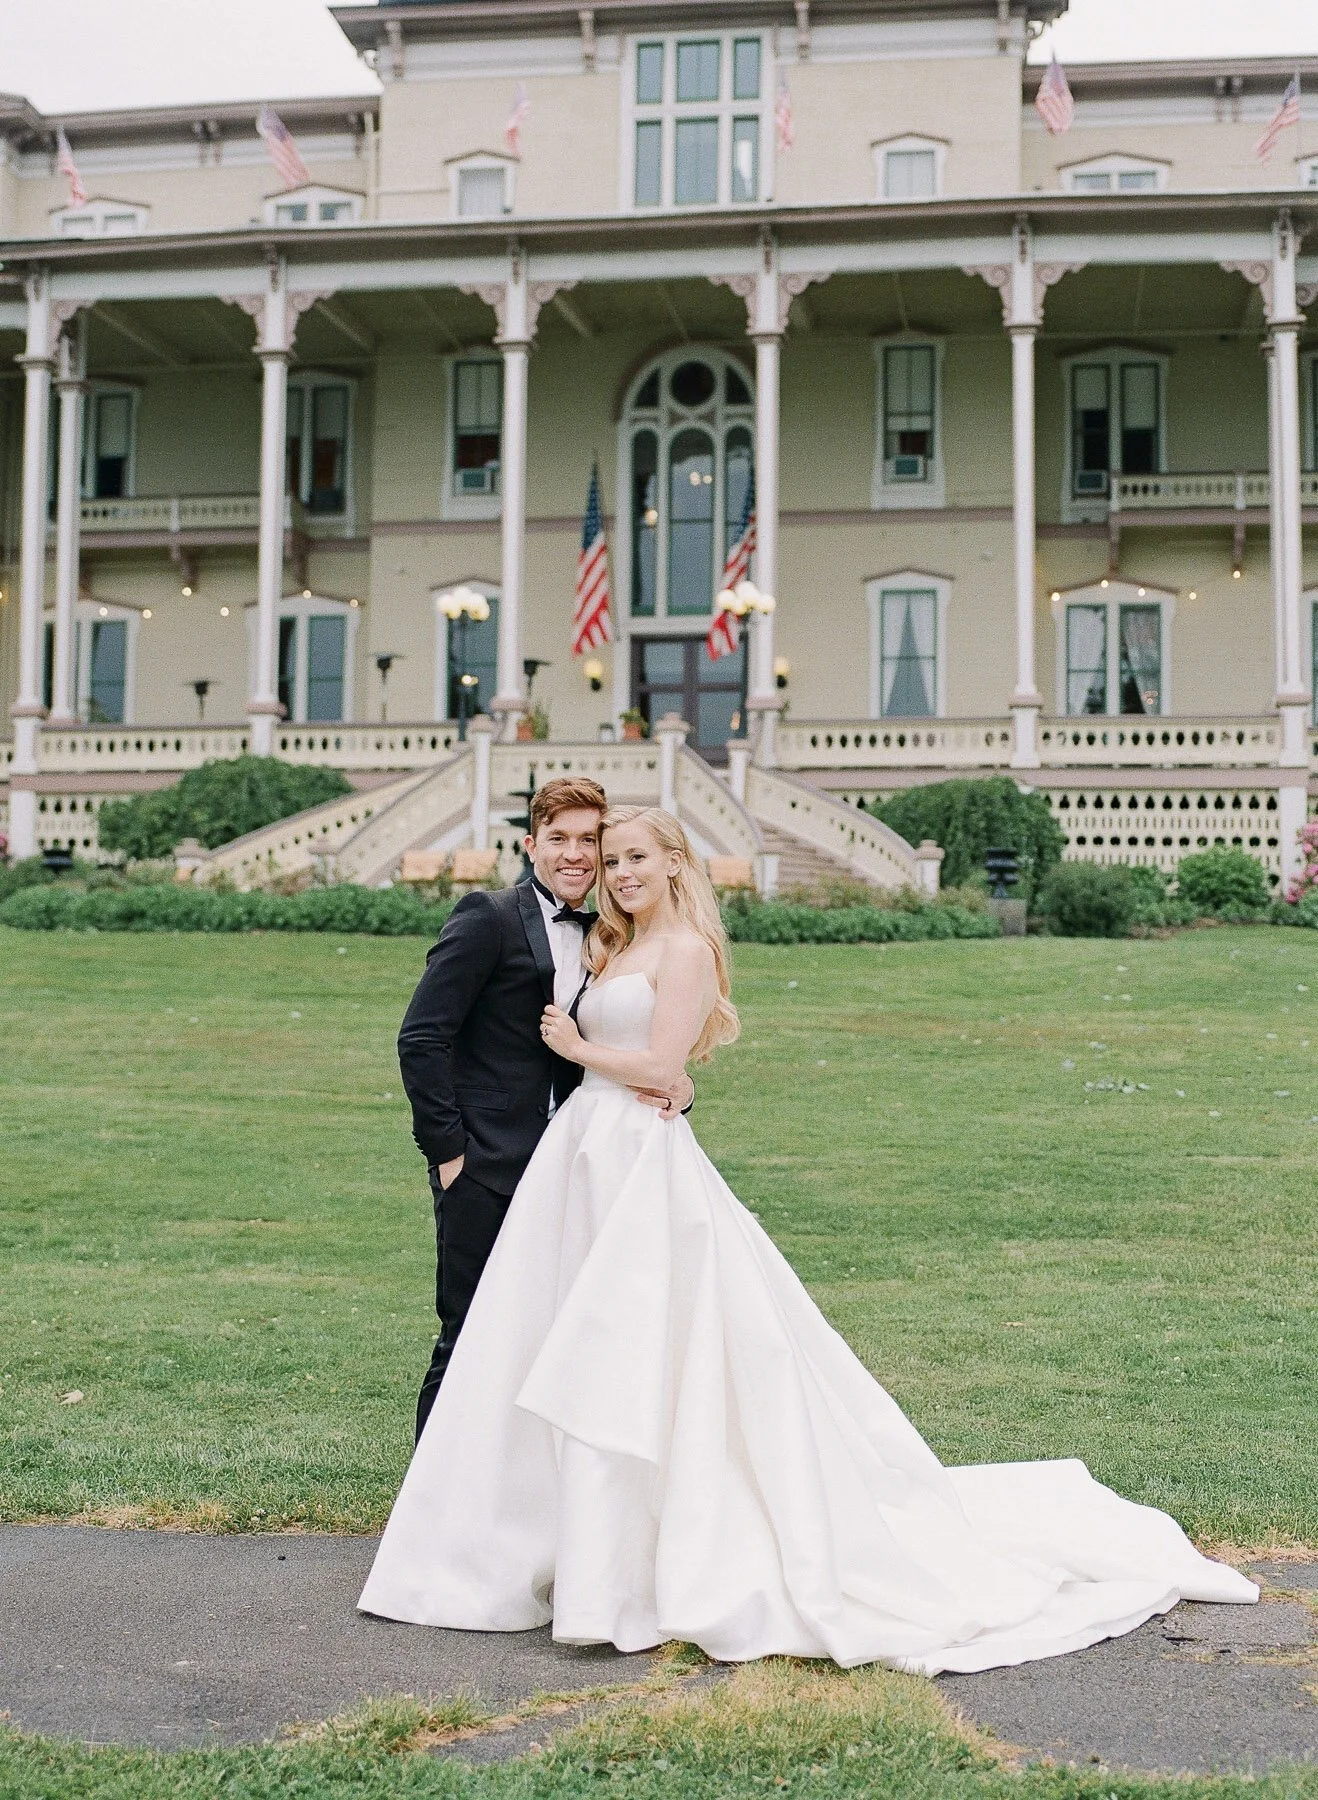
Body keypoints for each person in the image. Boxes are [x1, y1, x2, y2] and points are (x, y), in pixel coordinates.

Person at [362, 805, 1256, 1673]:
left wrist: (597, 1054)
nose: (619, 872)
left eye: (634, 857)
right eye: (611, 858)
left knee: (647, 1345)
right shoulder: (611, 945)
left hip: (637, 1167)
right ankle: (534, 1535)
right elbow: (475, 1040)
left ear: (675, 864)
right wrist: (482, 1129)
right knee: (538, 1342)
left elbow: (663, 1065)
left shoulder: (688, 950)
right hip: (579, 1162)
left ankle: (649, 1555)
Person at [396, 778, 692, 1442]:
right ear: (531, 845)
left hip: (580, 1166)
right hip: (487, 1166)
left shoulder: (612, 936)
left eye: (591, 840)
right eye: (559, 839)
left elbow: (628, 1039)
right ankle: (432, 1510)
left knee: (560, 1341)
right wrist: (449, 1154)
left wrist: (680, 1086)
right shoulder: (488, 916)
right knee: (470, 1335)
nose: (577, 855)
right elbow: (422, 1037)